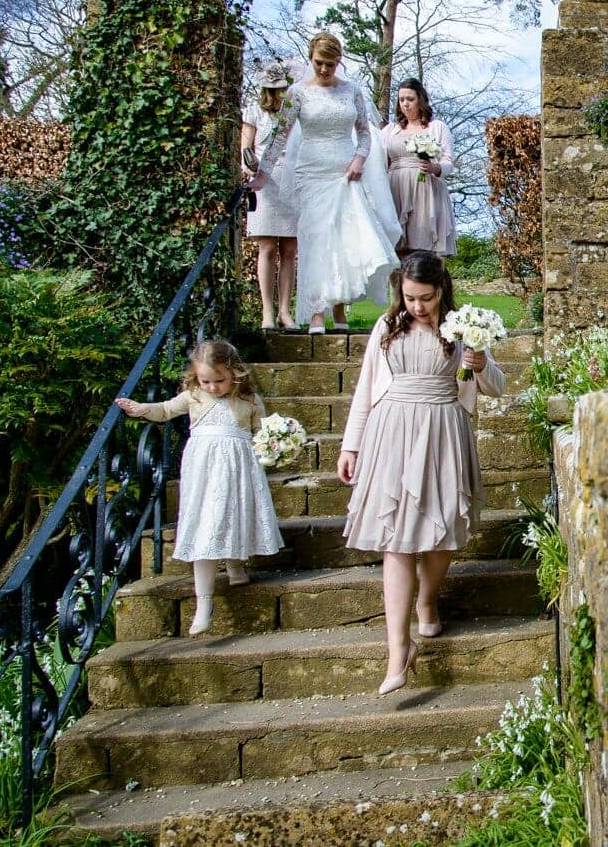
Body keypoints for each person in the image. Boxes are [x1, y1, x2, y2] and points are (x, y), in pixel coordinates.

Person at [337, 251, 505, 694]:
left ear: (441, 289)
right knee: (394, 539)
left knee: (442, 530)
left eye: (426, 298)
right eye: (410, 298)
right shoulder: (387, 328)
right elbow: (365, 389)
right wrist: (350, 445)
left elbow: (496, 387)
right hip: (390, 431)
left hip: (444, 430)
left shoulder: (463, 328)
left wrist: (481, 364)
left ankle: (427, 600)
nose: (417, 306)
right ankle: (398, 651)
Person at [115, 341, 282, 636]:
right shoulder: (194, 397)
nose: (213, 387)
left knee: (232, 516)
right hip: (203, 474)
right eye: (206, 381)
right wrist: (141, 409)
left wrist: (278, 443)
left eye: (220, 380)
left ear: (235, 373)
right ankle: (203, 602)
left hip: (237, 471)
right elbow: (165, 410)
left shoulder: (249, 401)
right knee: (207, 526)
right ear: (196, 378)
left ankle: (234, 565)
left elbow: (265, 432)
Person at [253, 31, 400, 335]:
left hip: (345, 172)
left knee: (345, 239)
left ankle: (339, 307)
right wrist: (263, 173)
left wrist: (359, 160)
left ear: (339, 62)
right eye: (319, 63)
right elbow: (281, 136)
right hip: (312, 173)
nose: (324, 70)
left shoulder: (352, 91)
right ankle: (317, 310)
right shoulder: (297, 93)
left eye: (330, 64)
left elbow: (364, 134)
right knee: (317, 240)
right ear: (311, 60)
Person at [241, 61, 298, 330]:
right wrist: (249, 167)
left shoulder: (292, 111)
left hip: (291, 177)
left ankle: (285, 310)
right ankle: (267, 309)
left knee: (289, 249)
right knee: (267, 247)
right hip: (265, 179)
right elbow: (246, 146)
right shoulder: (253, 111)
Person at [381, 78, 456, 256]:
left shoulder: (436, 127)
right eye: (401, 100)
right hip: (396, 190)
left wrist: (434, 167)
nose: (405, 104)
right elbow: (379, 161)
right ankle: (398, 284)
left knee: (422, 249)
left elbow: (448, 162)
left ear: (420, 99)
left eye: (410, 99)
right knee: (396, 249)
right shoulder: (390, 130)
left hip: (425, 191)